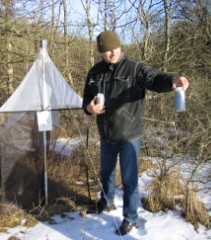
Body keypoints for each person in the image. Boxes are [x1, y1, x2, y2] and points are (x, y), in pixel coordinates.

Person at [82, 30, 189, 236]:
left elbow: (155, 78)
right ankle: (106, 202)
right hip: (106, 134)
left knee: (129, 180)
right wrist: (89, 108)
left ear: (120, 46)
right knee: (106, 173)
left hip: (130, 134)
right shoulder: (95, 72)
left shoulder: (134, 68)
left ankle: (130, 218)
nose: (111, 53)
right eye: (106, 51)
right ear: (100, 52)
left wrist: (172, 81)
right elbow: (86, 97)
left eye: (114, 49)